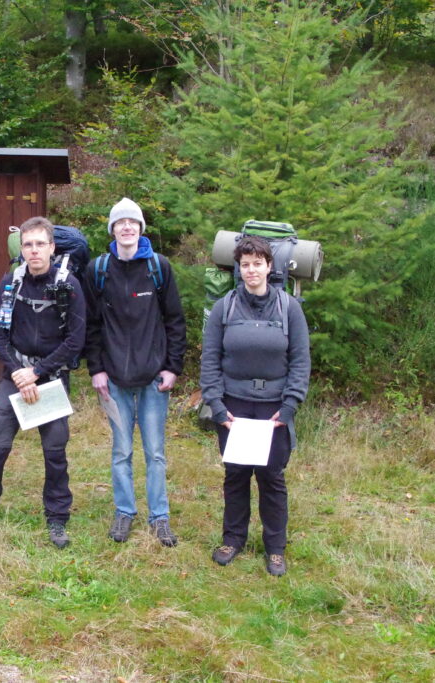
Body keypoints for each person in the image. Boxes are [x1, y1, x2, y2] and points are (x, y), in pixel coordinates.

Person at [0, 216, 86, 549]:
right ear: (22, 248)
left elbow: (75, 340)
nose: (33, 250)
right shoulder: (10, 282)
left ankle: (57, 517)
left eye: (40, 244)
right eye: (27, 244)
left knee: (55, 451)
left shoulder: (68, 285)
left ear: (51, 247)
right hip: (15, 376)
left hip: (51, 378)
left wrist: (38, 372)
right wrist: (19, 371)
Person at [199, 235, 310, 576]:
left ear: (269, 267)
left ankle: (275, 548)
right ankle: (232, 539)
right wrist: (217, 406)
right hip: (234, 408)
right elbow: (211, 360)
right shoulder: (225, 307)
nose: (251, 270)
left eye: (257, 264)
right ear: (239, 269)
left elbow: (300, 361)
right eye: (244, 265)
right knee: (236, 475)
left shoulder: (289, 308)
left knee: (271, 478)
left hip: (273, 410)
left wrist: (289, 405)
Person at [83, 198, 187, 546]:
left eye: (133, 222)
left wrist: (172, 367)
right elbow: (91, 325)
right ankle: (124, 512)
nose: (126, 228)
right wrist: (96, 369)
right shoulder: (99, 270)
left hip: (154, 379)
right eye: (120, 222)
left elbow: (175, 320)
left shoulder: (159, 268)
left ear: (141, 228)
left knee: (155, 452)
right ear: (112, 229)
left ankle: (160, 518)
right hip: (114, 378)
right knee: (121, 451)